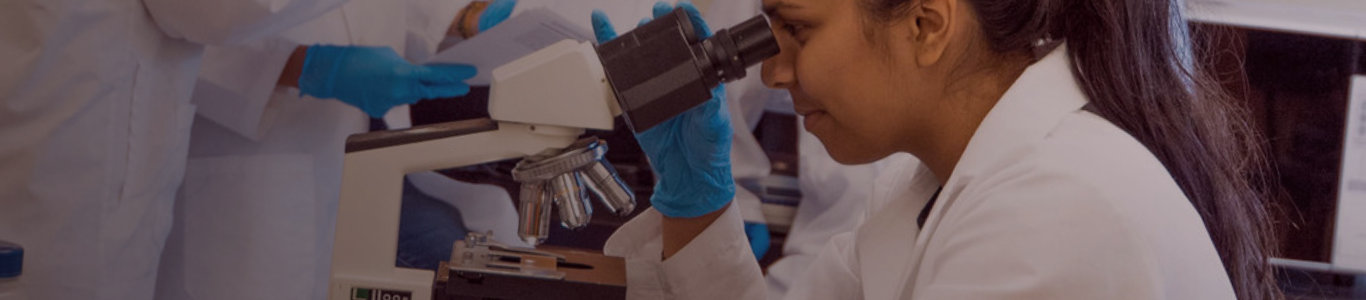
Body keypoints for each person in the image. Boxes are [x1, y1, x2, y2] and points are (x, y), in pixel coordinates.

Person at [595, 0, 1282, 299]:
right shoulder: (923, 191)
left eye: (797, 31)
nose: (774, 73)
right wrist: (699, 203)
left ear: (926, 25)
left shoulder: (1056, 210)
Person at [0, 0, 479, 299]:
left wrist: (456, 13)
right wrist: (302, 66)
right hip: (84, 174)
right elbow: (213, 11)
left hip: (109, 164)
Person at [151, 0, 511, 299]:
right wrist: (304, 67)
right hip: (260, 165)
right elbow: (158, 25)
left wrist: (463, 18)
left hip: (377, 153)